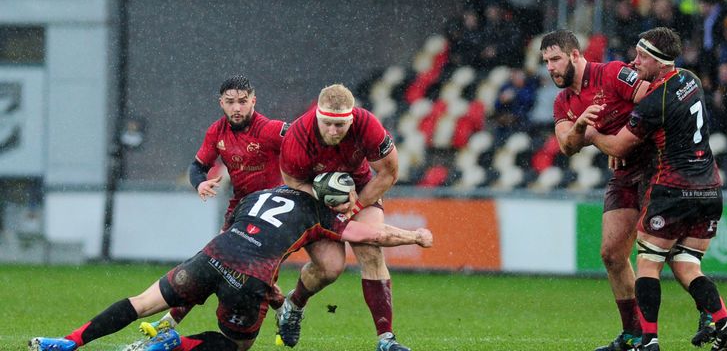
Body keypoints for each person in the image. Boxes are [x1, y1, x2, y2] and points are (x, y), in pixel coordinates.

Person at [29, 184, 433, 351]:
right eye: (346, 200)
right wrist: (414, 236)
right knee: (235, 345)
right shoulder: (322, 215)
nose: (350, 206)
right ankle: (178, 345)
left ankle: (68, 342)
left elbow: (249, 227)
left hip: (211, 254)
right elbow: (369, 237)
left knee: (142, 302)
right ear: (331, 197)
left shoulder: (260, 193)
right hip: (249, 276)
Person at [583, 27, 727, 351]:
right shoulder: (691, 79)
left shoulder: (656, 101)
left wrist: (592, 135)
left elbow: (618, 147)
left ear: (658, 61)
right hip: (710, 188)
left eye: (642, 57)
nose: (634, 61)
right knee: (685, 264)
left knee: (649, 263)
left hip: (674, 188)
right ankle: (724, 321)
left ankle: (648, 340)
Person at [143, 75, 289, 336]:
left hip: (270, 214)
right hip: (240, 210)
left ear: (253, 101)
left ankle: (285, 310)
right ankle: (170, 321)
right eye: (230, 102)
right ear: (221, 103)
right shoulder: (216, 131)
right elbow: (197, 166)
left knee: (254, 279)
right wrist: (199, 183)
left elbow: (305, 143)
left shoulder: (270, 130)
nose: (237, 108)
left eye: (243, 102)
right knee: (210, 264)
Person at [542, 29, 650, 351]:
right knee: (612, 254)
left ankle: (711, 316)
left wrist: (624, 141)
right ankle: (633, 335)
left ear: (575, 55)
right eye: (546, 62)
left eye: (555, 59)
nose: (550, 67)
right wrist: (580, 127)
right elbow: (567, 146)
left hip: (655, 165)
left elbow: (657, 102)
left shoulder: (613, 73)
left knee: (660, 250)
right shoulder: (564, 101)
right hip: (623, 172)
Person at [278, 84, 405, 350]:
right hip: (313, 197)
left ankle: (386, 339)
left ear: (352, 117)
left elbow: (389, 173)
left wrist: (356, 206)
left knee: (371, 250)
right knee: (330, 268)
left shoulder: (367, 124)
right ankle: (295, 303)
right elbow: (292, 181)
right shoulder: (298, 137)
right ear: (317, 115)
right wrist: (325, 198)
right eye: (327, 124)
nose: (333, 131)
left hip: (359, 191)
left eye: (340, 125)